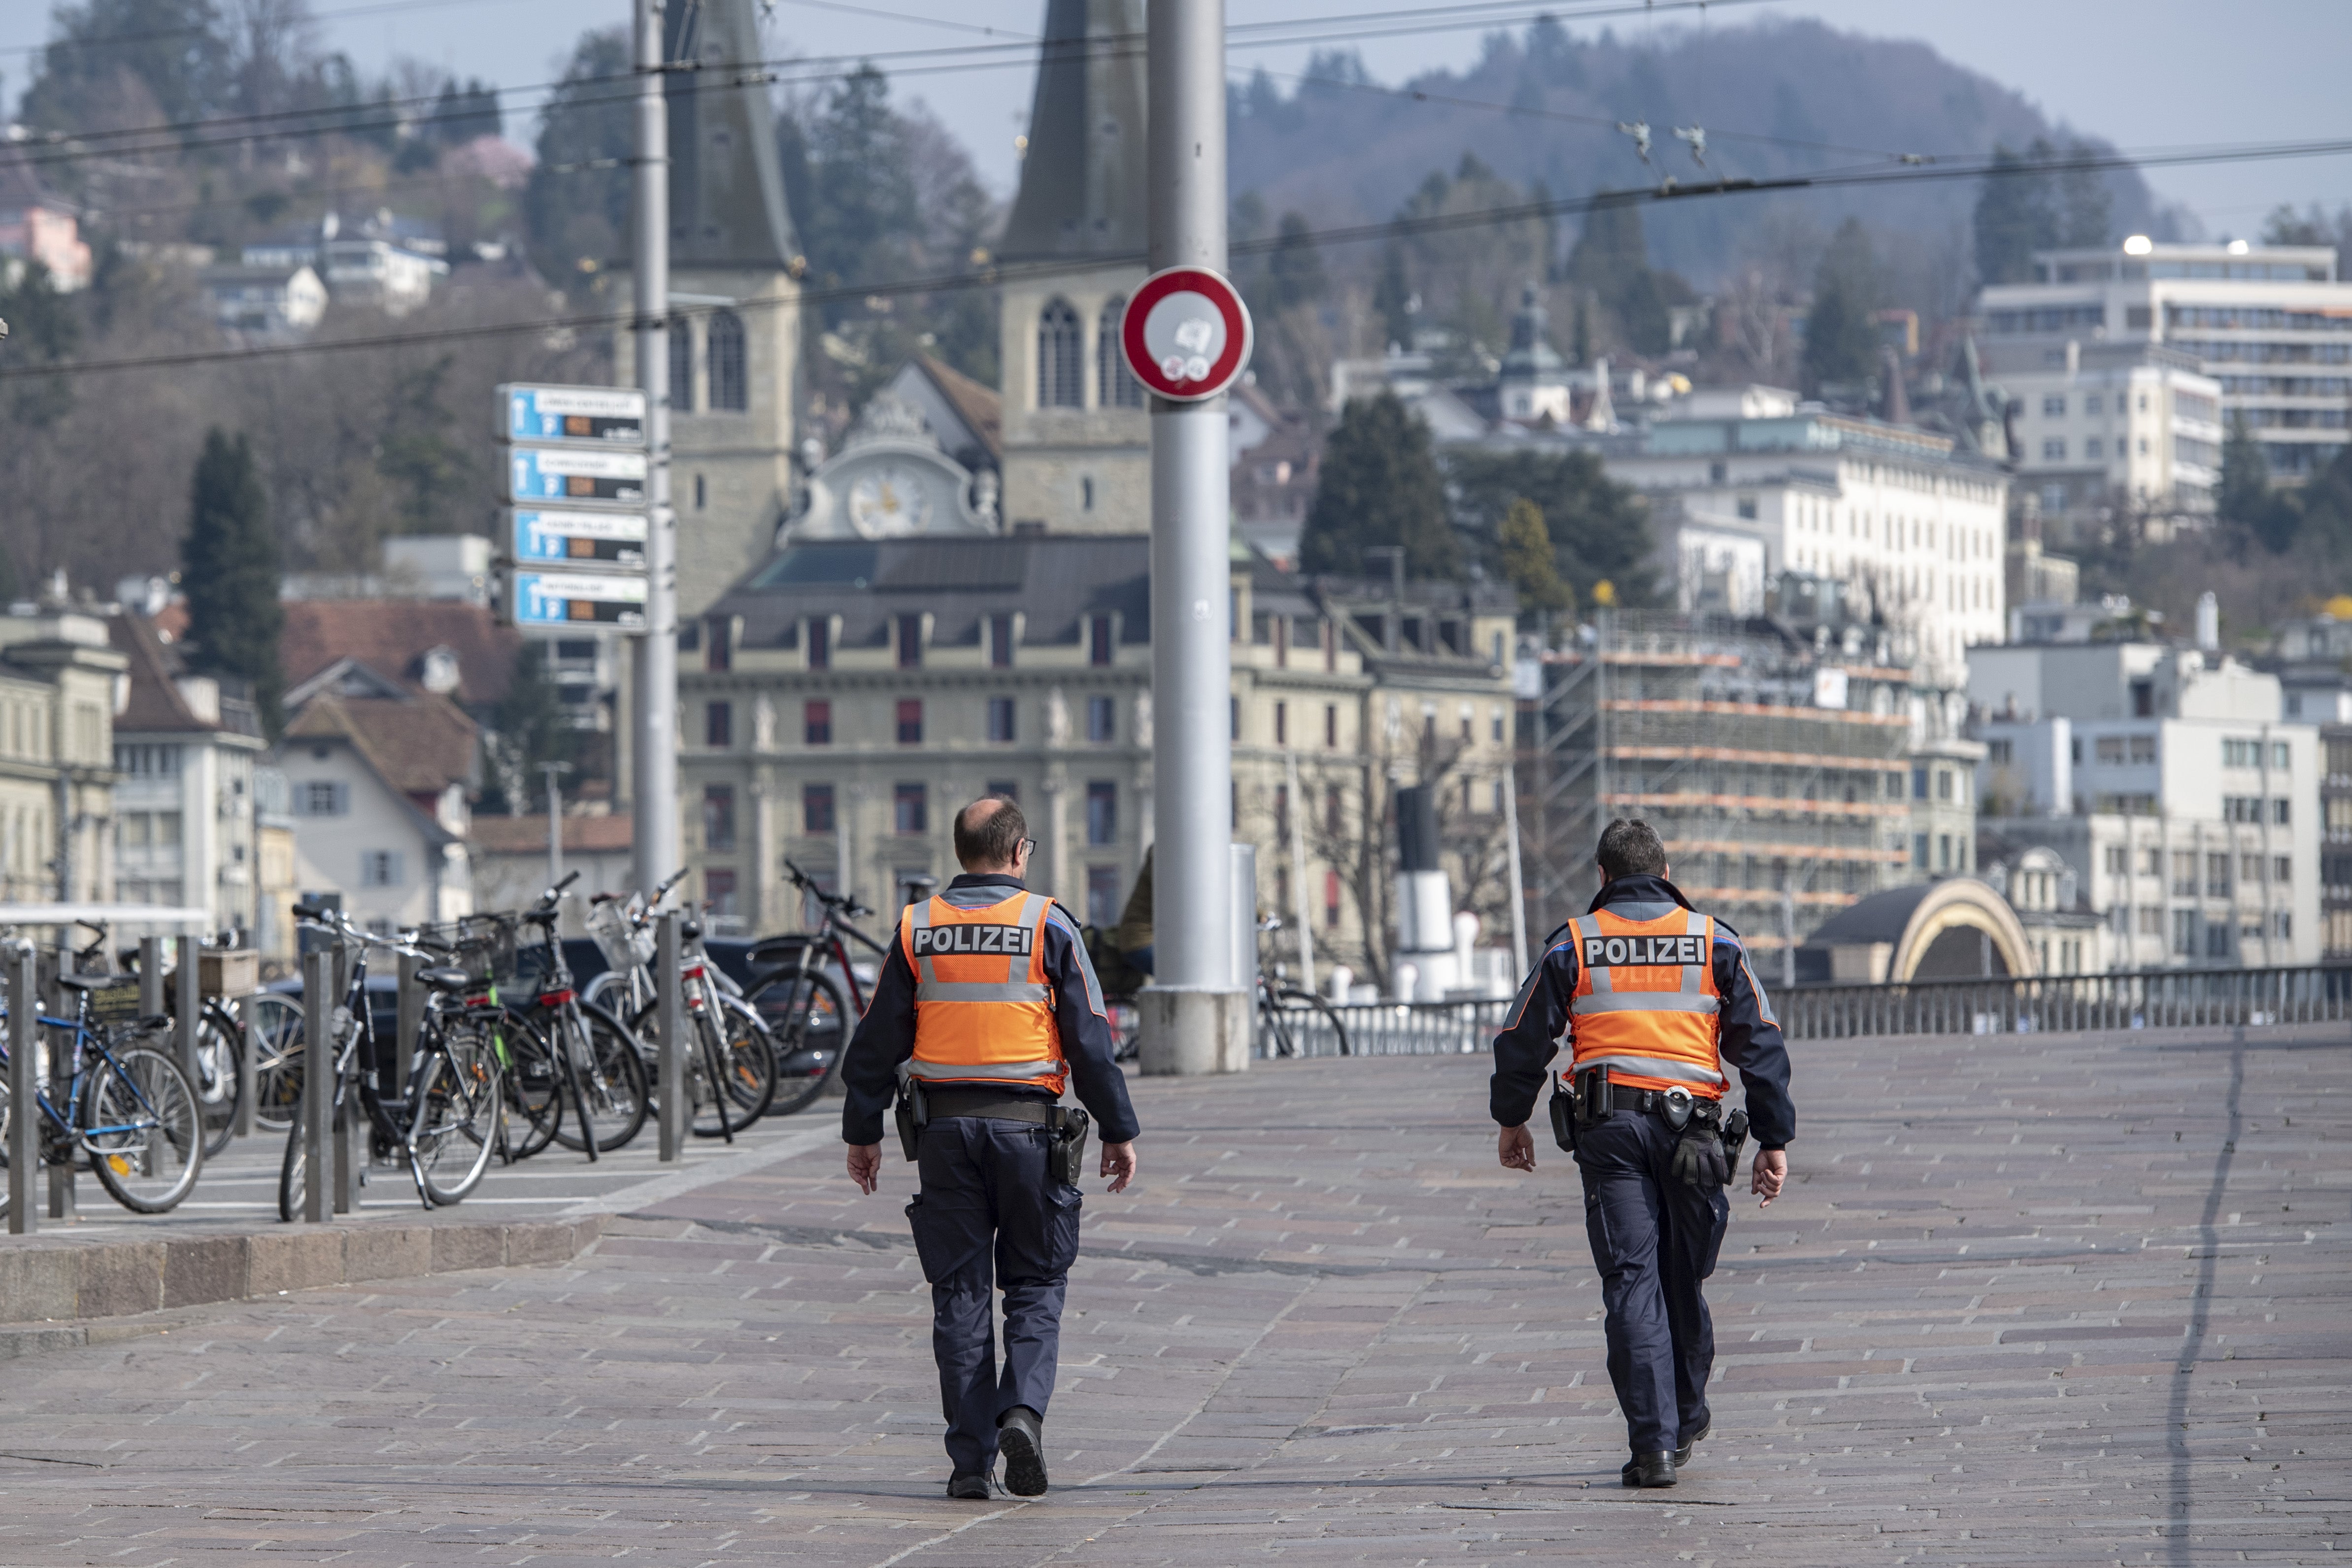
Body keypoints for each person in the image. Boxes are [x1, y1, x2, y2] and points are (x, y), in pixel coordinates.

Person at [841, 796, 1141, 1501]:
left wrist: (862, 1133)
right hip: (1028, 1130)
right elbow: (1091, 1041)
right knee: (1035, 1283)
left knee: (961, 1293)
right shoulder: (1047, 924)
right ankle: (1022, 1414)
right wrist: (1120, 1129)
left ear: (959, 853)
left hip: (943, 1134)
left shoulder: (917, 927)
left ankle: (970, 1462)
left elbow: (875, 1042)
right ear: (1017, 853)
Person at [1489, 818, 1794, 1490]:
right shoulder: (1714, 942)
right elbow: (1762, 1047)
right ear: (1663, 871)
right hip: (1695, 1137)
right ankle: (1683, 1418)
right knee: (1682, 1276)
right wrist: (1774, 1140)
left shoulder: (1573, 944)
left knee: (1633, 1282)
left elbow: (1520, 1041)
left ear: (1601, 876)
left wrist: (1511, 1120)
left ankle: (1653, 1445)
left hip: (1611, 1133)